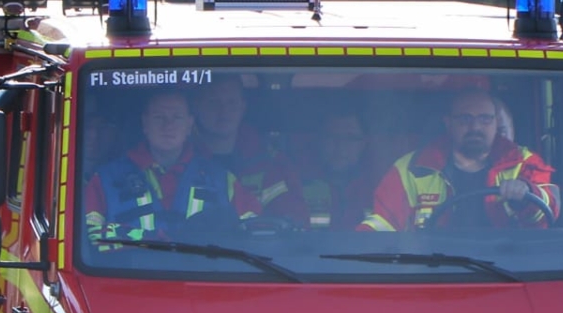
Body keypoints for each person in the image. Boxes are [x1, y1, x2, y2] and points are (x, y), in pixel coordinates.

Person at [360, 88, 558, 232]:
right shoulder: (412, 168)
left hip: (511, 272)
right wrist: (357, 249)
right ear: (448, 123)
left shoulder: (523, 162)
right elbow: (383, 223)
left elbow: (551, 210)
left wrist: (526, 194)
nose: (475, 127)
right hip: (429, 274)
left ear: (496, 123)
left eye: (485, 119)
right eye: (465, 119)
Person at [83, 89, 259, 243]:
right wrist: (145, 239)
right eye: (159, 117)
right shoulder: (105, 179)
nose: (168, 125)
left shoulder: (221, 179)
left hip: (204, 276)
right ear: (145, 123)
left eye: (177, 117)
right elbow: (86, 237)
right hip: (123, 277)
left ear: (189, 124)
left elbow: (253, 231)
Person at [192, 75, 310, 226]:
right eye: (214, 102)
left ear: (243, 107)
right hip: (193, 249)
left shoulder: (272, 162)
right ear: (197, 107)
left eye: (231, 102)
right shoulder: (180, 159)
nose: (224, 111)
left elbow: (293, 223)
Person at [300, 109, 381, 229]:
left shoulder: (380, 189)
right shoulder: (297, 186)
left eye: (350, 138)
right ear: (319, 140)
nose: (340, 146)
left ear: (364, 143)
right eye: (332, 137)